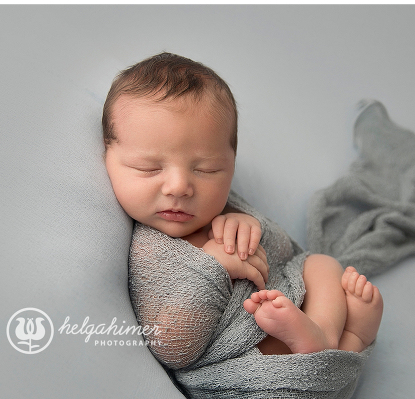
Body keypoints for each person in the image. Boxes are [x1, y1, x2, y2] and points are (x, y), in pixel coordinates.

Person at [103, 52, 383, 364]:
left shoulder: (225, 210)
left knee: (320, 264)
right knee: (262, 325)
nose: (179, 187)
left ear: (231, 164)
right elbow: (172, 346)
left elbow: (285, 257)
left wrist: (249, 225)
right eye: (148, 168)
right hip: (248, 365)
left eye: (207, 169)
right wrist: (214, 266)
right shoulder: (148, 252)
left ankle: (326, 336)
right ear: (107, 156)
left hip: (292, 317)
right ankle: (351, 341)